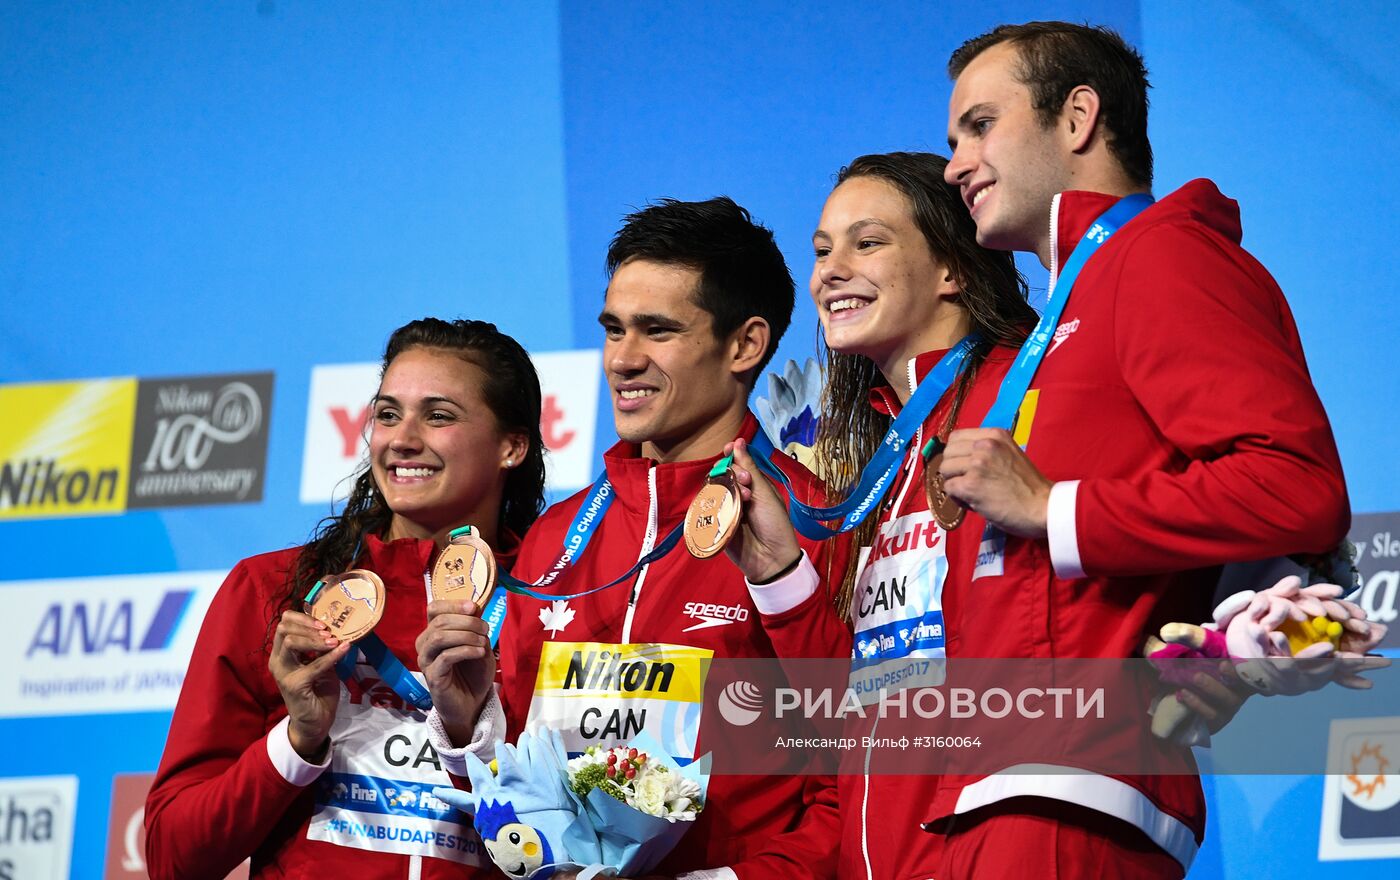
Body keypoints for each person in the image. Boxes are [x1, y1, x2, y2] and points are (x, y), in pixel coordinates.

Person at [929, 21, 1348, 878]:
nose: (954, 164)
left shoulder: (1161, 256)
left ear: (1077, 117)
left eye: (980, 126)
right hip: (999, 785)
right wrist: (1216, 643)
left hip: (1072, 789)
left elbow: (1295, 486)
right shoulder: (1066, 305)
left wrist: (1053, 508)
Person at [416, 197, 844, 879]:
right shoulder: (557, 537)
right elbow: (513, 796)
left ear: (746, 344)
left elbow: (859, 785)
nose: (622, 359)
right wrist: (467, 728)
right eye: (614, 329)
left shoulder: (812, 528)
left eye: (656, 331)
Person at [720, 151, 1037, 880]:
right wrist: (779, 575)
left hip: (998, 843)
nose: (830, 270)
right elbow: (861, 710)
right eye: (823, 250)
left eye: (868, 242)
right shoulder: (885, 463)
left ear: (953, 268)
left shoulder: (1025, 398)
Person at [145, 318, 547, 879]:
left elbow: (579, 840)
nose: (401, 439)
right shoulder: (275, 591)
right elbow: (174, 854)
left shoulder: (553, 604)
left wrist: (468, 736)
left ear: (512, 446)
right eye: (387, 414)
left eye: (438, 415)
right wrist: (297, 741)